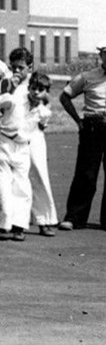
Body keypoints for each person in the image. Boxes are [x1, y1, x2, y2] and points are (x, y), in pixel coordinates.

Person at [0, 70, 53, 241]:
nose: (36, 92)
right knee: (4, 187)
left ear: (46, 92)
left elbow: (41, 128)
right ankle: (2, 226)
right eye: (33, 88)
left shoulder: (44, 112)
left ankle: (19, 226)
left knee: (23, 189)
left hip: (23, 148)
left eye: (41, 90)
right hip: (4, 144)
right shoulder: (14, 99)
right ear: (29, 87)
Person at [6, 47, 58, 234]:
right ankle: (17, 221)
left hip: (34, 136)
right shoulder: (11, 84)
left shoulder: (36, 84)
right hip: (15, 137)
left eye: (21, 67)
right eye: (13, 67)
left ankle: (45, 220)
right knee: (17, 181)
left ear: (29, 66)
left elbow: (47, 102)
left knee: (39, 176)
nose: (17, 71)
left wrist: (44, 116)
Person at [57, 44, 106, 231]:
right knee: (86, 173)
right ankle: (75, 218)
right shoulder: (87, 77)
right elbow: (65, 96)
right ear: (101, 55)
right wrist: (78, 120)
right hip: (93, 126)